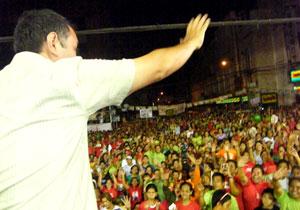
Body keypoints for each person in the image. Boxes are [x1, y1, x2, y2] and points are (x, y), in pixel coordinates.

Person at [0, 9, 210, 210]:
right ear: (53, 42)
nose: (76, 56)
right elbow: (157, 67)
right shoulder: (63, 77)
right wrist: (191, 43)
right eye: (74, 48)